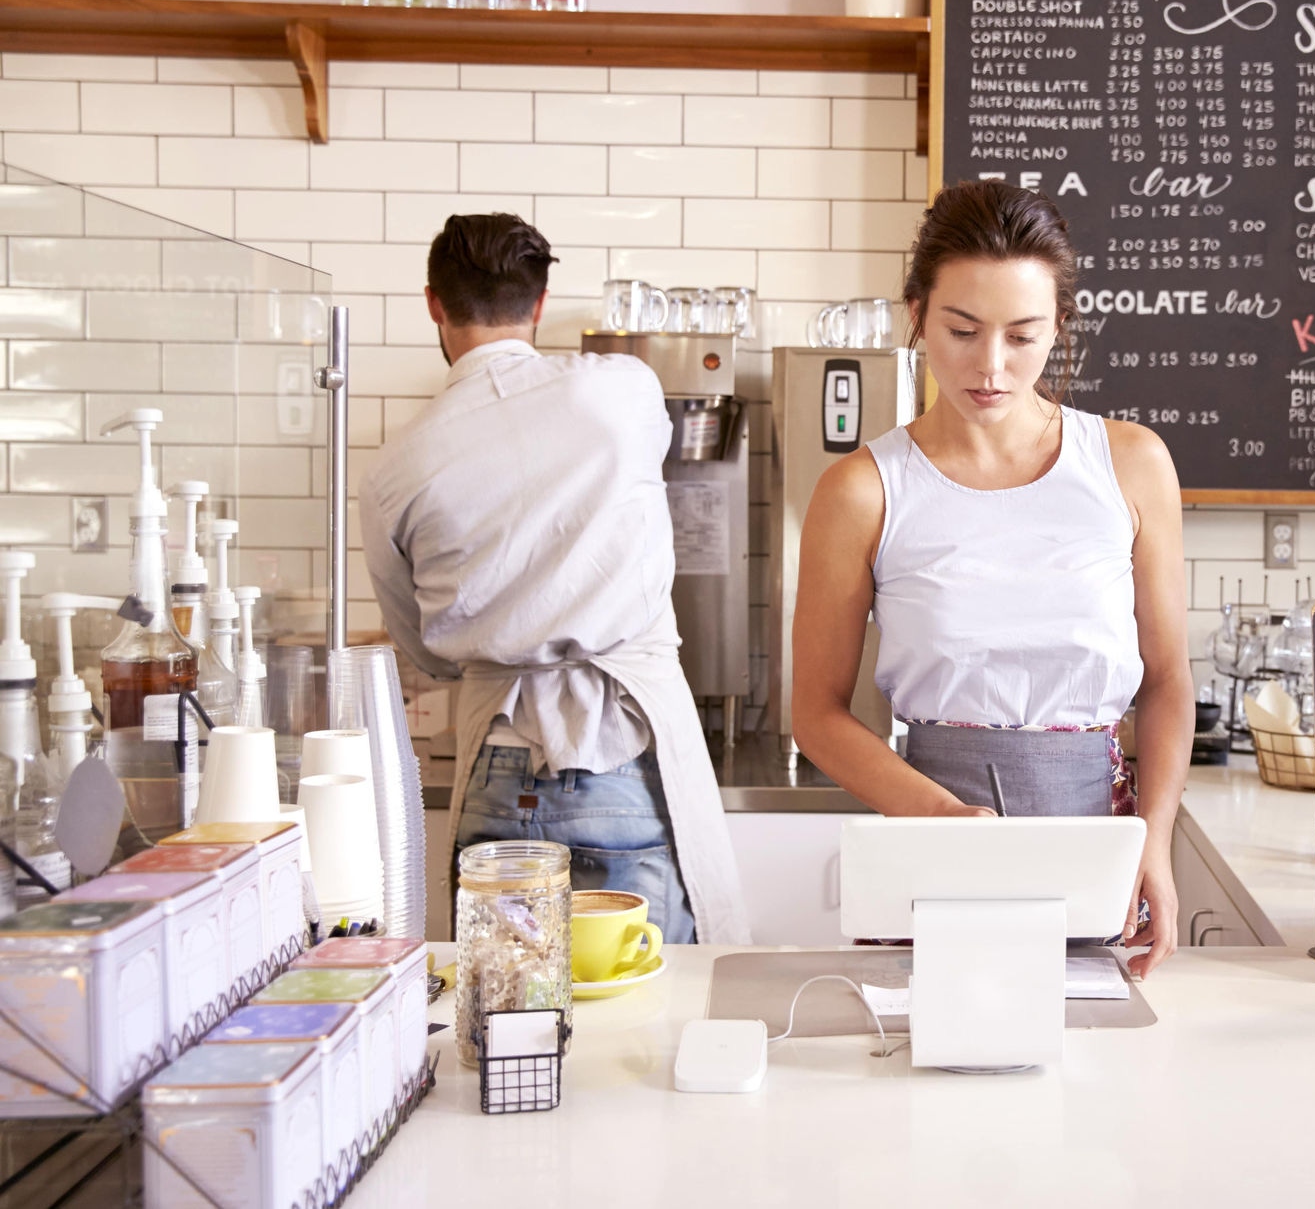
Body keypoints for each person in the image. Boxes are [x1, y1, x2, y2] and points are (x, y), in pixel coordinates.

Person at [792, 181, 1192, 977]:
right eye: (963, 330)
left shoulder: (1131, 462)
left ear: (1060, 328)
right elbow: (816, 712)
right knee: (929, 1070)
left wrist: (1153, 837)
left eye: (1023, 335)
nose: (991, 365)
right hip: (932, 843)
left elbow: (1169, 677)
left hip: (1098, 845)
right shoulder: (864, 489)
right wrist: (942, 817)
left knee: (1097, 1080)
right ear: (917, 313)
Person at [360, 213, 747, 944]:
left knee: (508, 1030)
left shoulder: (392, 468)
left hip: (493, 771)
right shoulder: (623, 392)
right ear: (539, 305)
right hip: (619, 758)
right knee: (643, 1023)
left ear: (434, 304)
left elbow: (427, 652)